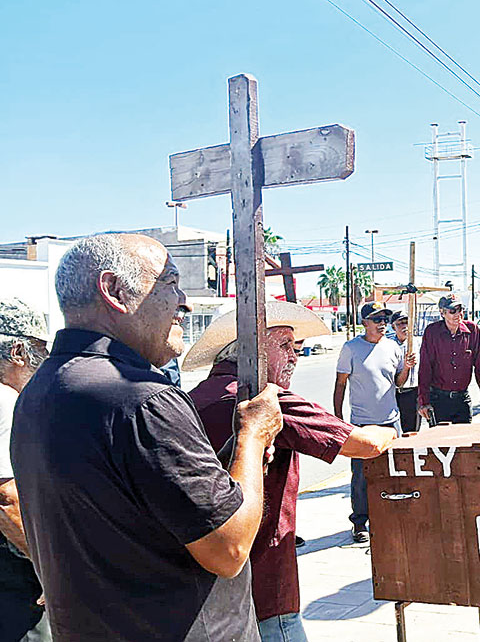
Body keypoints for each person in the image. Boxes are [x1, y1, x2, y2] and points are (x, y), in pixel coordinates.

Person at [11, 233, 283, 641]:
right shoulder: (141, 398)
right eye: (170, 283)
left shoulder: (40, 389)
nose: (184, 302)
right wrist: (253, 436)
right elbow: (228, 549)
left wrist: (229, 465)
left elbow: (127, 502)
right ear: (115, 291)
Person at [185, 302, 396, 642]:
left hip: (206, 589)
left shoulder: (193, 398)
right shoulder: (265, 401)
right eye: (285, 346)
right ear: (252, 350)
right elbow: (363, 444)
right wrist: (392, 432)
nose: (295, 357)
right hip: (265, 585)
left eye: (295, 348)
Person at [335, 302, 416, 543]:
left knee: (394, 472)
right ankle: (360, 523)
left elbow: (399, 383)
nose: (382, 323)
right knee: (361, 477)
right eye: (376, 318)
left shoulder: (393, 347)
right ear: (364, 323)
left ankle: (392, 517)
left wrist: (407, 368)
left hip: (391, 423)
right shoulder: (351, 348)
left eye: (384, 318)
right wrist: (338, 420)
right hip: (361, 424)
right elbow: (340, 384)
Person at [0, 297, 51, 642]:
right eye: (41, 349)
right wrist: (52, 573)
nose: (45, 361)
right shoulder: (7, 401)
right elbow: (7, 498)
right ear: (19, 351)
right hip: (12, 578)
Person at [418, 294, 480, 425]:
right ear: (442, 313)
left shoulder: (473, 330)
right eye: (452, 311)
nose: (458, 314)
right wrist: (424, 402)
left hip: (462, 399)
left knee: (464, 443)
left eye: (460, 309)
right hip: (438, 399)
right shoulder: (432, 332)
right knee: (441, 444)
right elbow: (425, 369)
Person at [387, 311, 420, 434]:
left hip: (412, 392)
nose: (404, 326)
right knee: (391, 430)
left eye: (406, 322)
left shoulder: (418, 343)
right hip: (393, 393)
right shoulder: (388, 344)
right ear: (393, 326)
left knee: (411, 431)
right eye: (400, 323)